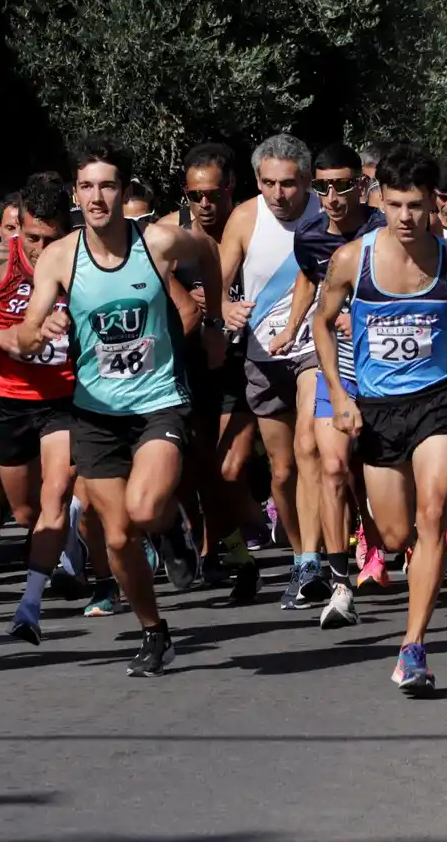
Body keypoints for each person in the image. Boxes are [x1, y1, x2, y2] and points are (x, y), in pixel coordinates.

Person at [16, 136, 224, 677]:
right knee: (115, 536)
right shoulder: (61, 256)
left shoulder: (158, 242)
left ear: (123, 190)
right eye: (86, 186)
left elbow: (209, 254)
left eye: (107, 185)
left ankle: (171, 526)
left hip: (158, 401)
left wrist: (217, 322)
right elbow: (27, 328)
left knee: (144, 508)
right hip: (95, 412)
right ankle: (155, 632)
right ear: (75, 193)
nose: (96, 197)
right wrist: (44, 327)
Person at [313, 143, 447, 693]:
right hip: (377, 408)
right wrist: (339, 394)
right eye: (395, 205)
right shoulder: (352, 261)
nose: (406, 218)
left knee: (434, 512)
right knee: (392, 534)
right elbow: (322, 323)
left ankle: (413, 647)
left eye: (416, 206)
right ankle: (388, 552)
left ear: (433, 203)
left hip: (436, 400)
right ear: (378, 201)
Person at [0, 172, 77, 643]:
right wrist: (2, 337)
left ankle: (31, 604)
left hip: (64, 396)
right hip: (9, 397)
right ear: (18, 228)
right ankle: (67, 539)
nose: (42, 250)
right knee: (25, 511)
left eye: (52, 238)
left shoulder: (82, 259)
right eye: (33, 238)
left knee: (56, 494)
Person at [219, 134, 326, 610]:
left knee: (310, 451)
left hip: (315, 351)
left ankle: (315, 561)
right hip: (262, 355)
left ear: (305, 179)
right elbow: (216, 281)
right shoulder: (245, 217)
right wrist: (225, 307)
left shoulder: (326, 213)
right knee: (282, 471)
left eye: (287, 184)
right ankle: (304, 556)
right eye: (268, 183)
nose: (278, 194)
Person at [156, 143, 262, 603]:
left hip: (242, 362)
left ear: (231, 189)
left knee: (228, 468)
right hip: (188, 364)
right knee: (191, 472)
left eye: (214, 194)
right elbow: (143, 267)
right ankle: (228, 553)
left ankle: (243, 548)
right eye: (195, 195)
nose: (205, 204)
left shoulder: (252, 228)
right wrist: (186, 295)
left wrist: (226, 309)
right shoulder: (166, 233)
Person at [286, 143, 386, 626]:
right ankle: (340, 584)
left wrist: (363, 317)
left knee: (389, 506)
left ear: (360, 185)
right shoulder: (307, 239)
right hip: (338, 366)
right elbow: (309, 280)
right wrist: (291, 327)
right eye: (322, 187)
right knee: (331, 467)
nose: (332, 196)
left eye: (342, 184)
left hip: (388, 369)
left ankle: (384, 539)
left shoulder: (385, 229)